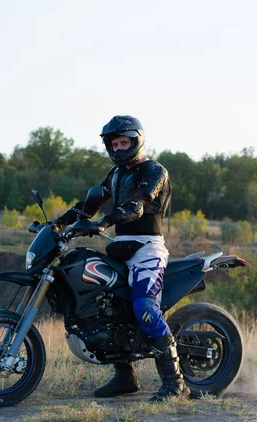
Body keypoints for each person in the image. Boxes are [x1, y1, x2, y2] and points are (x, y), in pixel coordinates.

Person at [52, 115, 190, 402]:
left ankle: (175, 383)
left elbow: (136, 205)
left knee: (144, 308)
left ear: (136, 141)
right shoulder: (115, 175)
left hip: (147, 250)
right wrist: (56, 225)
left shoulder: (154, 171)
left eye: (123, 142)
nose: (118, 148)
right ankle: (125, 377)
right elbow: (86, 207)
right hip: (121, 248)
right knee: (109, 308)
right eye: (113, 144)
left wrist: (103, 223)